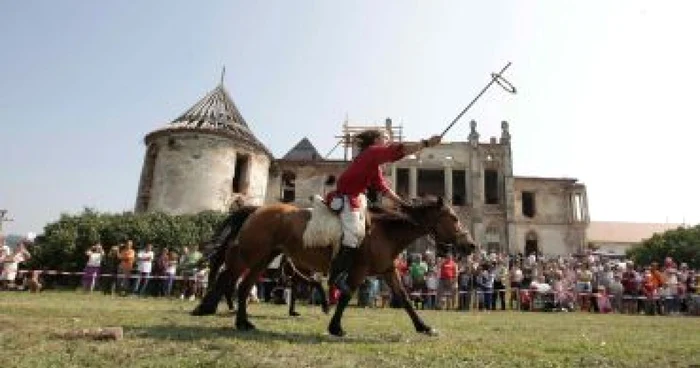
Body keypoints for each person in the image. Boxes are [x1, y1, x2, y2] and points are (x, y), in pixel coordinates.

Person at [327, 129, 441, 292]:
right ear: (375, 141)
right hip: (346, 197)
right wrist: (426, 144)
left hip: (356, 198)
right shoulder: (372, 152)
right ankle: (336, 276)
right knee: (352, 235)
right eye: (385, 138)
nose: (388, 141)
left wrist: (403, 203)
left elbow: (384, 189)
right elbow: (397, 150)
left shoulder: (373, 165)